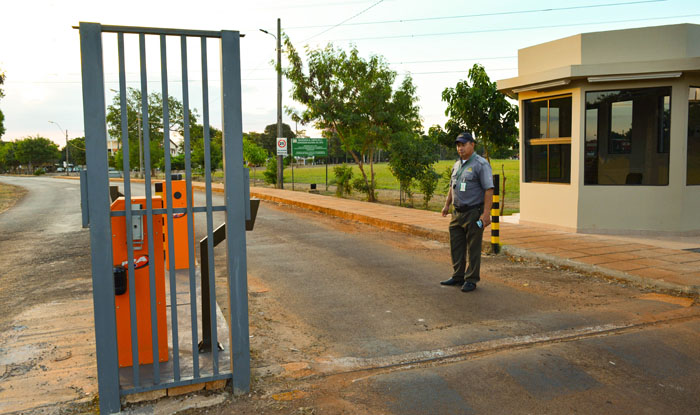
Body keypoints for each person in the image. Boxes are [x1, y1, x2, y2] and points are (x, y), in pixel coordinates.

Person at [440, 132, 494, 292]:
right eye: (458, 145)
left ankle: (471, 279)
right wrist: (446, 205)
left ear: (472, 144)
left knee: (473, 247)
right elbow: (452, 186)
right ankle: (458, 276)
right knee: (456, 246)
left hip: (473, 212)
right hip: (457, 213)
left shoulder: (481, 164)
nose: (460, 148)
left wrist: (486, 213)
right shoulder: (456, 165)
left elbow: (489, 190)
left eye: (463, 144)